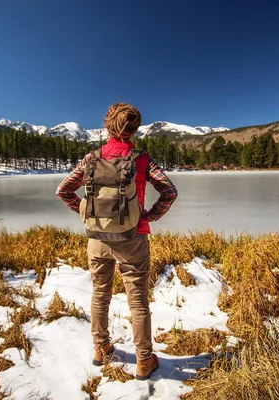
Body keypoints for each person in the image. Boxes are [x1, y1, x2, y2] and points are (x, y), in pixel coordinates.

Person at [56, 102, 178, 380]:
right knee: (137, 301)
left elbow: (63, 190)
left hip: (97, 238)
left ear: (107, 125)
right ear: (135, 128)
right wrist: (149, 216)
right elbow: (169, 191)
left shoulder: (90, 158)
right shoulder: (142, 159)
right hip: (133, 238)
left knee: (100, 293)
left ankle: (101, 349)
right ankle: (144, 361)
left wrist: (86, 211)